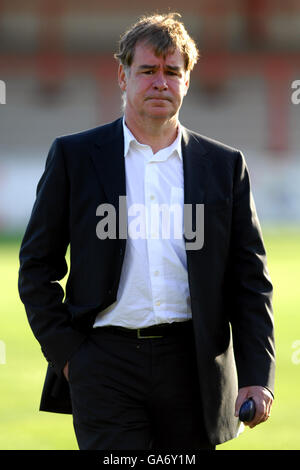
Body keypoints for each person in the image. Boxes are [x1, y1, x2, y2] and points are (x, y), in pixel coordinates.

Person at [18, 12, 275, 450]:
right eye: (148, 71)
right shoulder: (74, 157)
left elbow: (250, 280)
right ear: (122, 76)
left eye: (172, 72)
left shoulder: (224, 166)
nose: (161, 82)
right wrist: (69, 357)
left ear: (187, 81)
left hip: (194, 365)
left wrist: (257, 377)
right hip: (103, 363)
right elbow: (36, 268)